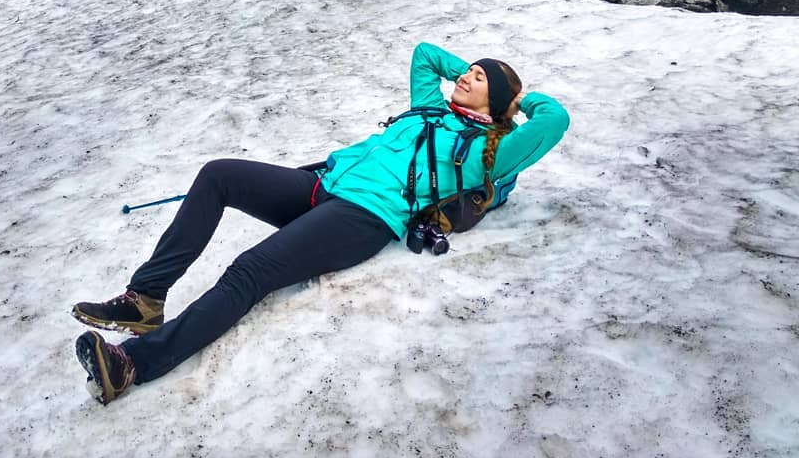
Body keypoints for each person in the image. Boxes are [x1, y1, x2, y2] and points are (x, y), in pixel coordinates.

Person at [72, 42, 570, 404]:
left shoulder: (493, 153)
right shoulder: (429, 107)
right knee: (219, 175)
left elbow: (555, 120)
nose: (466, 77)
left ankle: (134, 362)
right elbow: (425, 54)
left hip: (364, 218)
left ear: (498, 100)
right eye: (470, 71)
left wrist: (515, 101)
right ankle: (145, 298)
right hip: (325, 186)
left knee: (252, 269)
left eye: (480, 78)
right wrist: (470, 74)